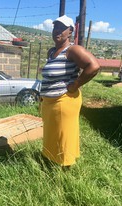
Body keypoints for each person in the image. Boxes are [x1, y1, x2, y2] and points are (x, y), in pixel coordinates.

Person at [40, 15, 100, 167]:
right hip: (49, 102)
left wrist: (76, 84)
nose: (57, 31)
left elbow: (93, 66)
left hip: (63, 101)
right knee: (51, 135)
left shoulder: (73, 50)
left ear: (70, 31)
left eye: (61, 28)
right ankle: (51, 161)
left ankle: (64, 169)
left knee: (63, 136)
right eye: (55, 27)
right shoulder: (52, 51)